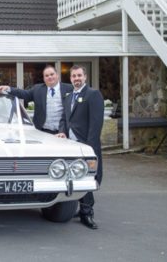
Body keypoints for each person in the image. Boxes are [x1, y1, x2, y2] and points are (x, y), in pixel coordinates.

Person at [56, 65, 104, 229]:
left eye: (79, 76)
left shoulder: (93, 94)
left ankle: (87, 213)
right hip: (70, 146)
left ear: (85, 77)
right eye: (74, 76)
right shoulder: (69, 96)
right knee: (74, 176)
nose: (76, 79)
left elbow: (96, 123)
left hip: (86, 145)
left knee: (88, 178)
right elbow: (64, 118)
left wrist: (89, 147)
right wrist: (62, 132)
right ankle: (81, 208)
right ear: (70, 79)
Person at [0, 65, 73, 134]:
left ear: (57, 75)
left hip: (62, 132)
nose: (49, 77)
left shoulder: (70, 89)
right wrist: (9, 89)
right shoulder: (38, 89)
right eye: (46, 76)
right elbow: (24, 94)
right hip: (42, 131)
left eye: (52, 74)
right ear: (44, 78)